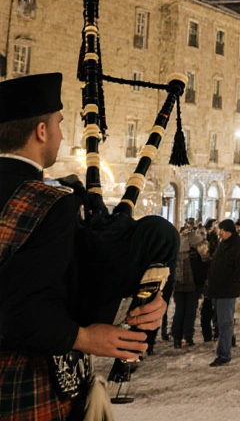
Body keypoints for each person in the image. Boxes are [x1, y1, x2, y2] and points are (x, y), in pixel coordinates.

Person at [0, 73, 169, 419]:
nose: (62, 135)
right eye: (59, 124)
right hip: (23, 389)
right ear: (41, 131)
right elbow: (19, 310)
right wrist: (86, 338)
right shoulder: (50, 203)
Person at [204, 218, 240, 367]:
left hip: (227, 290)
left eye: (223, 230)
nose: (221, 233)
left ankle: (224, 354)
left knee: (225, 322)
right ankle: (225, 347)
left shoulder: (239, 247)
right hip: (217, 289)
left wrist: (232, 282)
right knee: (220, 321)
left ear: (229, 231)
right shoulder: (223, 245)